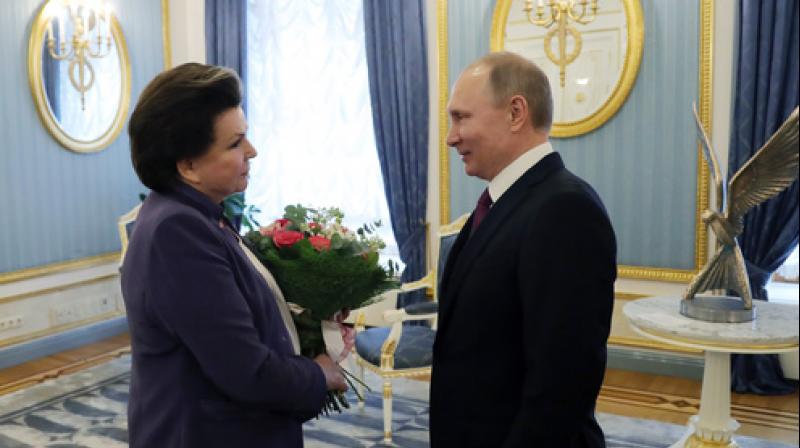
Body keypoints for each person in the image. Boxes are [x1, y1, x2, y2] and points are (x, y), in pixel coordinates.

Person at [121, 63, 346, 448]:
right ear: (188, 165)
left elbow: (227, 321)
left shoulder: (193, 214)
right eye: (235, 143)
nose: (252, 151)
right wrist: (319, 374)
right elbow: (247, 370)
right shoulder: (178, 232)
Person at [430, 52, 617, 447]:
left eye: (461, 117)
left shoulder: (565, 210)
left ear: (516, 112)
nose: (450, 137)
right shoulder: (506, 202)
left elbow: (562, 384)